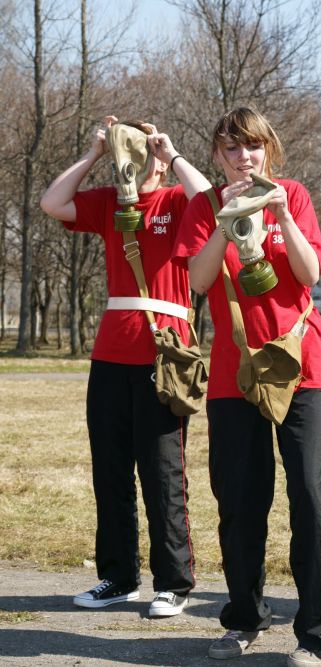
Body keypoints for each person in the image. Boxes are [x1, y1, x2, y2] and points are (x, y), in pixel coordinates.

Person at [173, 107, 321, 666]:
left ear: (268, 148)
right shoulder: (204, 206)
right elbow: (199, 281)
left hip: (303, 366)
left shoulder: (293, 195)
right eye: (231, 147)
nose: (243, 156)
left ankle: (315, 635)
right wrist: (225, 221)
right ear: (217, 155)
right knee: (240, 502)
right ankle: (244, 619)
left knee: (312, 499)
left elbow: (310, 274)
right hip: (236, 372)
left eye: (253, 146)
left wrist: (280, 213)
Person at [40, 115, 210, 617]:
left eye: (137, 152)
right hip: (110, 356)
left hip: (164, 353)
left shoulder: (176, 201)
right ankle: (118, 577)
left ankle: (174, 582)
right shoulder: (110, 203)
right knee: (110, 470)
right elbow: (53, 203)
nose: (130, 162)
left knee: (162, 472)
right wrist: (95, 152)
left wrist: (169, 153)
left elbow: (210, 202)